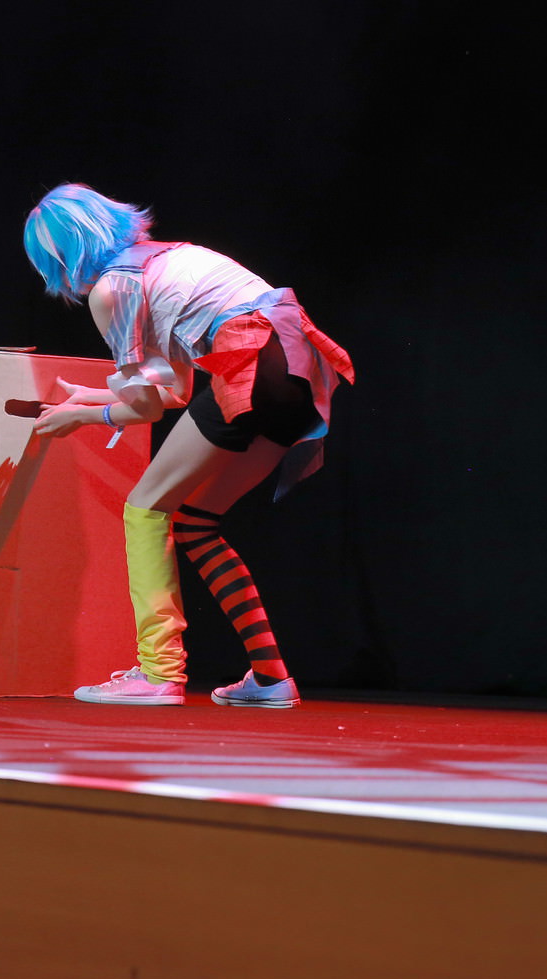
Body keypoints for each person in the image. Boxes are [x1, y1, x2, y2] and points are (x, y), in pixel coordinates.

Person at [24, 184, 354, 707]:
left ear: (59, 258)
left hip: (252, 365)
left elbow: (147, 409)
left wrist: (82, 417)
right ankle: (270, 677)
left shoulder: (113, 290)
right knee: (196, 522)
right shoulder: (164, 257)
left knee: (144, 508)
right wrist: (93, 396)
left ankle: (157, 673)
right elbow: (175, 390)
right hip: (297, 369)